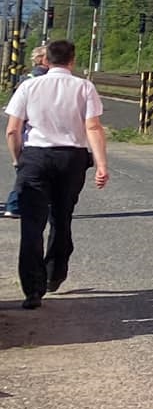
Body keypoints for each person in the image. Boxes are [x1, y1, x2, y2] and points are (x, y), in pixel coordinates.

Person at [7, 40, 107, 309]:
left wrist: (19, 161)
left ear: (46, 61)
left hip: (35, 157)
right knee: (62, 218)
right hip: (71, 159)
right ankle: (55, 273)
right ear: (72, 60)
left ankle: (32, 290)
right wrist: (101, 165)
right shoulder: (84, 87)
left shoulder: (28, 86)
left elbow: (13, 130)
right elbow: (94, 127)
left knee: (32, 225)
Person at [0, 46, 47, 220]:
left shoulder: (26, 78)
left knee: (27, 173)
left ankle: (19, 205)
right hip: (34, 131)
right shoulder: (41, 78)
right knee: (28, 175)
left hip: (23, 126)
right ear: (42, 59)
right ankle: (15, 204)